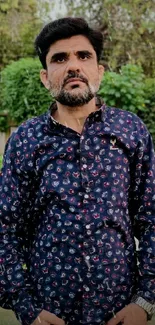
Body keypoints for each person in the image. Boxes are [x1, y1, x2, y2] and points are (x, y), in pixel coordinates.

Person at [0, 17, 155, 325]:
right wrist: (26, 307)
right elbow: (6, 228)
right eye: (60, 58)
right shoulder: (25, 140)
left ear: (99, 70)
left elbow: (151, 218)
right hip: (49, 311)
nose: (73, 66)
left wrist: (145, 300)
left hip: (120, 312)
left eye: (83, 56)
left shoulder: (130, 131)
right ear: (46, 77)